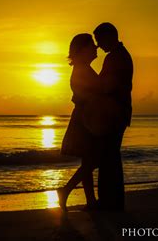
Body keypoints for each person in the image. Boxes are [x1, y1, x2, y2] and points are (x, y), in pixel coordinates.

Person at [58, 33, 101, 211]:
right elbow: (87, 96)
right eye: (91, 45)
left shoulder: (83, 69)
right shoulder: (82, 70)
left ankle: (90, 200)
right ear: (81, 50)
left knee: (88, 160)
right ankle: (66, 190)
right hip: (86, 119)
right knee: (94, 159)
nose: (95, 48)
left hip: (85, 117)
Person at [93, 22, 133, 211]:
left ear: (110, 37)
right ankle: (113, 201)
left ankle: (110, 201)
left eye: (99, 41)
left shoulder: (116, 58)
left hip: (114, 113)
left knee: (108, 157)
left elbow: (107, 86)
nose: (99, 46)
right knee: (110, 157)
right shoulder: (120, 56)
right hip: (119, 112)